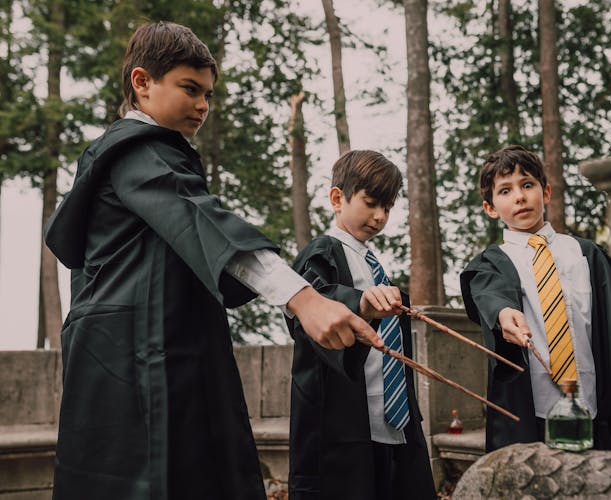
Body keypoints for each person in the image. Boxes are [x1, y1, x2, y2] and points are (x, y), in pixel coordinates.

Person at [43, 22, 382, 500]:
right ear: (142, 82)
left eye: (207, 93)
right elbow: (202, 221)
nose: (203, 105)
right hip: (140, 361)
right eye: (189, 88)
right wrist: (304, 300)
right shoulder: (137, 151)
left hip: (131, 355)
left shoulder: (135, 156)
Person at [460, 145, 611, 452]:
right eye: (505, 190)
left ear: (546, 192)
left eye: (528, 185)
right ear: (490, 207)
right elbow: (489, 293)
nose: (519, 196)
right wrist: (503, 314)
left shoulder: (587, 255)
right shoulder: (493, 262)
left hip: (592, 405)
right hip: (531, 412)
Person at [285, 150, 436, 500]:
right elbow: (312, 304)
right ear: (338, 198)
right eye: (370, 203)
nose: (380, 217)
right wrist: (360, 304)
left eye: (388, 207)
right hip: (343, 422)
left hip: (392, 419)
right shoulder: (321, 253)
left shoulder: (374, 264)